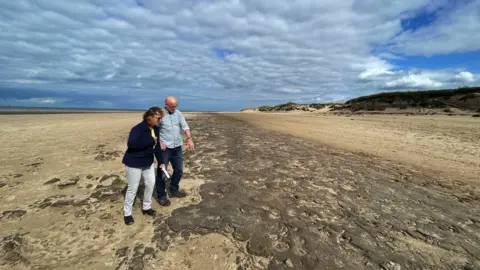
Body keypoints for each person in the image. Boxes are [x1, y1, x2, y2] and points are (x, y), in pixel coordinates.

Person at [121, 106, 165, 225]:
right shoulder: (137, 129)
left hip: (148, 162)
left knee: (150, 184)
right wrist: (151, 141)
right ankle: (127, 213)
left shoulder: (155, 129)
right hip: (134, 163)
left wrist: (161, 162)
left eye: (160, 118)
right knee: (133, 188)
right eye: (158, 118)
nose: (159, 121)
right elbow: (131, 144)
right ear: (149, 117)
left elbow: (157, 148)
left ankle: (146, 207)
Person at [155, 96, 195, 206]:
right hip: (164, 149)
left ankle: (174, 189)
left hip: (177, 147)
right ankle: (161, 196)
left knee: (179, 170)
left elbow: (185, 126)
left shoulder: (178, 113)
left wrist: (189, 138)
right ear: (166, 105)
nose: (174, 108)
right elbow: (154, 129)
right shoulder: (160, 115)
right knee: (162, 173)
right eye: (172, 106)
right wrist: (159, 142)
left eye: (175, 105)